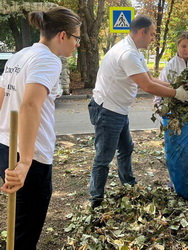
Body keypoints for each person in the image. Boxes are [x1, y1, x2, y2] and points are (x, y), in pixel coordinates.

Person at [88, 15, 188, 209]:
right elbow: (147, 87)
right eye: (152, 34)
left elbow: (151, 78)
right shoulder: (127, 53)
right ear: (142, 32)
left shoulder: (135, 52)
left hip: (118, 110)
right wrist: (176, 93)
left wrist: (175, 85)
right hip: (107, 110)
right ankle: (96, 201)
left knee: (126, 148)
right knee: (103, 158)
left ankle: (128, 184)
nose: (153, 38)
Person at [0, 7, 81, 249]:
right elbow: (30, 104)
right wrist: (25, 161)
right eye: (76, 38)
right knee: (25, 231)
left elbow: (1, 95)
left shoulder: (21, 55)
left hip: (5, 144)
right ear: (63, 36)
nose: (77, 44)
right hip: (30, 155)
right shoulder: (48, 60)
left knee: (18, 222)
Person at [153, 31, 188, 105]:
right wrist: (157, 104)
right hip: (176, 105)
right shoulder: (171, 65)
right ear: (178, 46)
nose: (186, 50)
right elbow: (161, 85)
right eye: (183, 46)